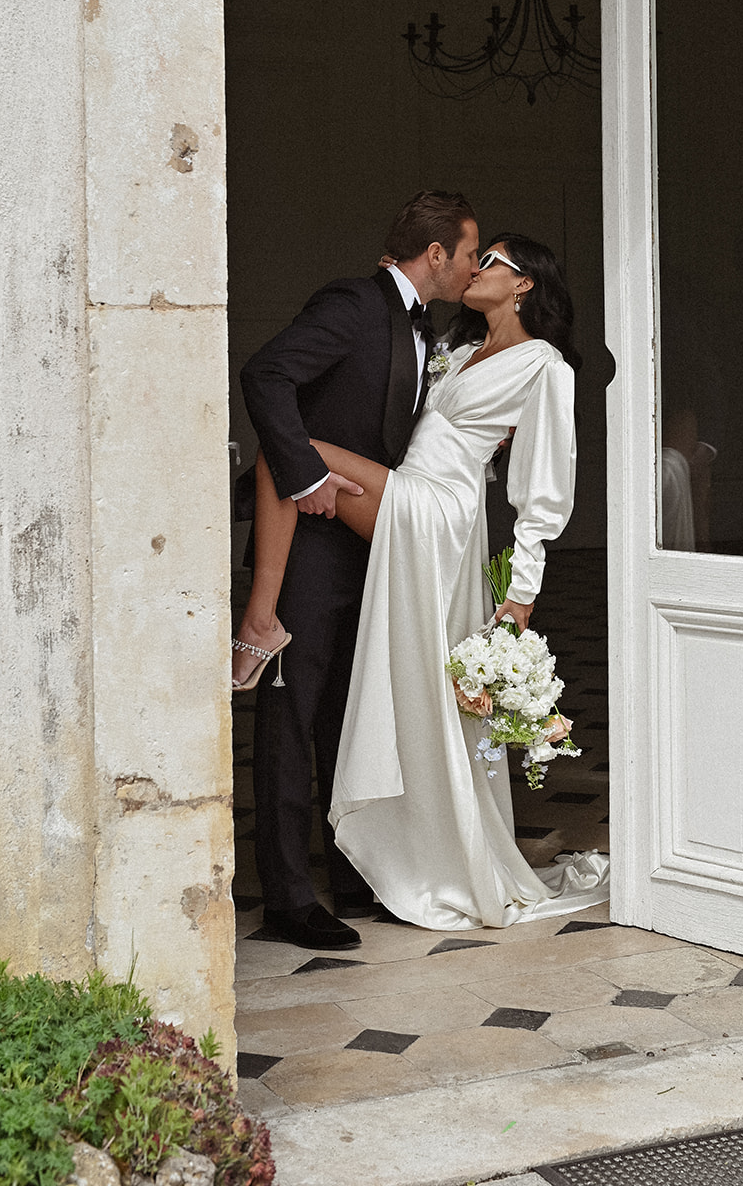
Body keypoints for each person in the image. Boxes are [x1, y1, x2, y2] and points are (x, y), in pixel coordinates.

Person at [244, 233, 609, 931]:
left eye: (492, 260)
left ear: (525, 283)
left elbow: (542, 494)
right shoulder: (457, 348)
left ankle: (260, 618)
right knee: (407, 688)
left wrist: (520, 595)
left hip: (439, 516)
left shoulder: (545, 366)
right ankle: (402, 853)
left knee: (289, 449)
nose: (478, 269)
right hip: (411, 496)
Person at [235, 189, 480, 951]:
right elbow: (265, 374)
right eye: (468, 253)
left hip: (373, 548)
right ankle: (286, 899)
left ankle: (352, 873)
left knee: (350, 716)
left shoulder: (430, 331)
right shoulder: (353, 303)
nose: (473, 267)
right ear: (435, 254)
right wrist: (305, 476)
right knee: (290, 719)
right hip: (308, 548)